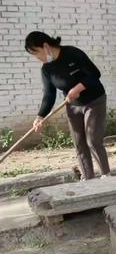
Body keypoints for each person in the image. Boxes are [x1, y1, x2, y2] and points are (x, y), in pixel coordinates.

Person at [25, 31, 111, 180]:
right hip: (73, 105)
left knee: (93, 140)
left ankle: (106, 175)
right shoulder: (46, 70)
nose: (38, 58)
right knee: (79, 143)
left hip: (94, 100)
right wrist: (40, 116)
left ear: (45, 46)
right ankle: (88, 178)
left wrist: (78, 88)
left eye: (37, 53)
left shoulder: (72, 53)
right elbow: (49, 95)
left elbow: (94, 74)